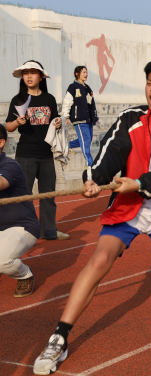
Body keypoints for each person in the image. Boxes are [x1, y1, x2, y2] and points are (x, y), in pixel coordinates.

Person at [33, 59, 151, 374]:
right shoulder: (130, 119)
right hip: (128, 206)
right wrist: (93, 179)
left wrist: (139, 182)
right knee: (100, 259)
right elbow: (108, 154)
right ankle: (59, 337)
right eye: (150, 82)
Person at [5, 60, 69, 241]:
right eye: (26, 73)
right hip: (26, 156)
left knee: (48, 196)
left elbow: (55, 121)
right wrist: (17, 122)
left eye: (33, 73)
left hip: (48, 156)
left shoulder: (49, 99)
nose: (29, 76)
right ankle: (22, 232)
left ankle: (49, 231)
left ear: (41, 77)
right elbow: (8, 127)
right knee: (23, 197)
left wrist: (58, 122)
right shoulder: (18, 100)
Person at [0, 123, 41, 298]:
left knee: (3, 261)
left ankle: (25, 275)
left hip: (22, 226)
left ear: (1, 143)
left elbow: (1, 183)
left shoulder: (10, 165)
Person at [61, 66, 99, 167]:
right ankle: (89, 162)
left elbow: (91, 103)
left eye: (86, 72)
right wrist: (66, 116)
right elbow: (67, 102)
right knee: (86, 139)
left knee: (88, 139)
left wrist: (95, 116)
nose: (86, 74)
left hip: (88, 119)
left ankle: (67, 145)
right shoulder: (73, 87)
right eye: (83, 72)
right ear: (77, 73)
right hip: (79, 118)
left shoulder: (87, 88)